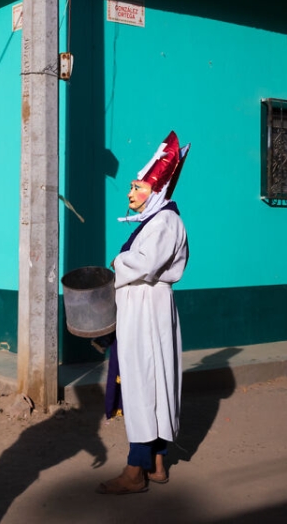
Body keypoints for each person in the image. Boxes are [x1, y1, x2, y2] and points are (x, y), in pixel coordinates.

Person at [96, 130, 190, 495]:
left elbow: (145, 264)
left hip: (147, 309)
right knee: (153, 383)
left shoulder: (166, 222)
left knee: (143, 384)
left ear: (156, 190)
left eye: (137, 186)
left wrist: (118, 260)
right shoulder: (156, 222)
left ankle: (136, 471)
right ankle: (157, 463)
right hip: (144, 308)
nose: (130, 192)